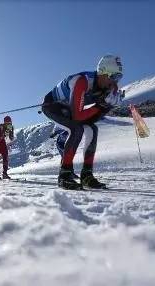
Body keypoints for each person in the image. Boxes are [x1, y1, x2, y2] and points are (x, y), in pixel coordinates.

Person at [42, 55, 125, 189]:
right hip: (52, 105)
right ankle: (65, 176)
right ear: (103, 73)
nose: (115, 82)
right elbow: (78, 116)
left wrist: (107, 106)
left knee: (92, 129)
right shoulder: (81, 81)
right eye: (114, 77)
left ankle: (87, 175)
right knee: (76, 129)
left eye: (119, 78)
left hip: (69, 109)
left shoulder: (107, 87)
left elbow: (92, 119)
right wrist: (101, 105)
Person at [0, 115, 14, 179]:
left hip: (2, 141)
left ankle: (4, 174)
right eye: (7, 122)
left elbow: (11, 137)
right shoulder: (0, 126)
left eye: (9, 122)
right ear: (4, 122)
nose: (9, 123)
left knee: (5, 155)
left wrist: (11, 132)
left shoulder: (10, 127)